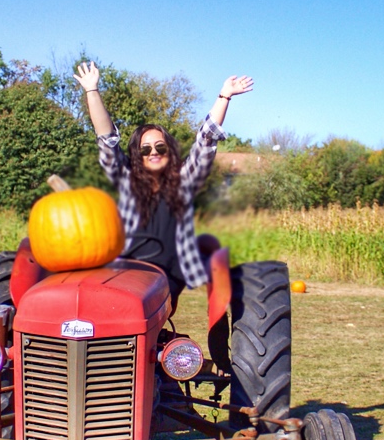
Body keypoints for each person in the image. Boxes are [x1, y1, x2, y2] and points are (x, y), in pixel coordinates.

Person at [74, 60, 254, 306]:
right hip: (122, 268)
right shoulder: (127, 179)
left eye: (160, 147)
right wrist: (92, 91)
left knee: (139, 305)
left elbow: (205, 140)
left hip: (165, 276)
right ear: (137, 155)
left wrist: (224, 96)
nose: (153, 152)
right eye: (145, 148)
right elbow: (106, 140)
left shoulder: (184, 180)